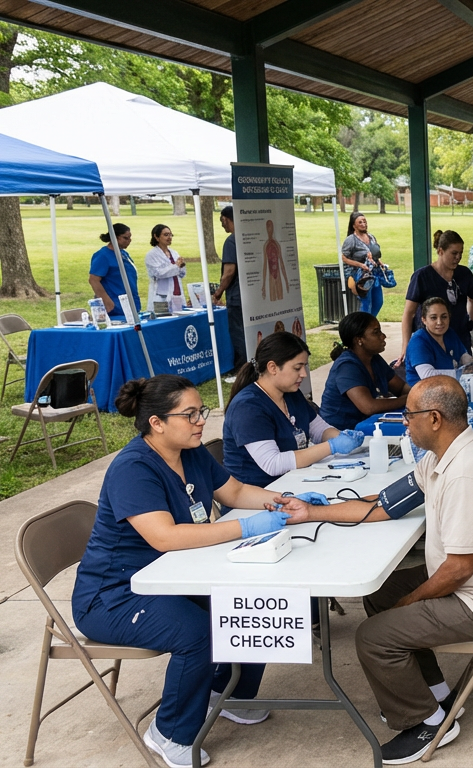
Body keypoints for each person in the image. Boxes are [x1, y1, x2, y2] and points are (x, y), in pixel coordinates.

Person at [71, 375, 371, 768]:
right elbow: (164, 537)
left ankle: (229, 695)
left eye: (202, 412)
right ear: (157, 423)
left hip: (173, 574)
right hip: (115, 594)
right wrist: (244, 527)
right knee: (198, 632)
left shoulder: (189, 452)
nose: (200, 422)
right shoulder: (134, 467)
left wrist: (285, 501)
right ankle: (170, 732)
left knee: (254, 596)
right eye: (190, 414)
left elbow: (234, 493)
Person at [354, 376, 473, 765]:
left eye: (408, 415)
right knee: (378, 595)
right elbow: (385, 504)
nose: (405, 421)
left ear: (434, 418)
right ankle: (434, 692)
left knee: (373, 637)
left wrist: (411, 602)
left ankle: (429, 722)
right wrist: (309, 512)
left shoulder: (466, 472)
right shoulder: (443, 454)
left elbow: (458, 570)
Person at [223, 331, 365, 487]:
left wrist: (343, 438)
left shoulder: (291, 393)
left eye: (305, 366)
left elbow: (318, 429)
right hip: (259, 497)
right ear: (272, 367)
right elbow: (272, 463)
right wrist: (332, 446)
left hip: (294, 483)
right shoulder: (247, 407)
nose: (304, 374)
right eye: (297, 368)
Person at [401, 229, 473, 362]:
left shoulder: (464, 273)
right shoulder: (422, 276)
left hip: (460, 336)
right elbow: (409, 313)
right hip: (431, 339)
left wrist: (471, 321)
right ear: (440, 251)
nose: (458, 257)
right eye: (454, 253)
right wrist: (406, 345)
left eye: (461, 253)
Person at [321, 312, 410, 430]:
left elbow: (401, 387)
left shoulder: (374, 359)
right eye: (376, 332)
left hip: (366, 426)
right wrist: (408, 399)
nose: (383, 336)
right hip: (340, 433)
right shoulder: (347, 366)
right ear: (359, 340)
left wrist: (419, 393)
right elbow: (368, 407)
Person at [405, 298, 472, 388]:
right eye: (433, 318)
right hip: (424, 393)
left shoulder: (449, 333)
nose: (440, 322)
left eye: (444, 317)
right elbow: (427, 375)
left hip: (449, 387)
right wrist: (462, 373)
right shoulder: (418, 341)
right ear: (424, 320)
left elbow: (464, 357)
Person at [212, 206, 247, 374]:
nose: (222, 225)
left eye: (221, 221)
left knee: (239, 334)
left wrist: (218, 293)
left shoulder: (232, 240)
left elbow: (229, 272)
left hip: (237, 297)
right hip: (250, 294)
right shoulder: (248, 236)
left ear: (226, 219)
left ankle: (241, 370)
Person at [89, 223, 141, 321]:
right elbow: (93, 280)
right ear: (115, 238)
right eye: (126, 238)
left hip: (130, 303)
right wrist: (107, 302)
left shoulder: (123, 254)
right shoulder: (103, 255)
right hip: (115, 305)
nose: (129, 241)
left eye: (130, 238)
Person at [341, 212, 385, 317]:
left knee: (378, 302)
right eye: (360, 222)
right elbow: (343, 258)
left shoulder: (371, 237)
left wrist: (380, 263)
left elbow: (374, 255)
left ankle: (369, 322)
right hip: (360, 275)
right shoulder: (351, 239)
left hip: (373, 273)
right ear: (354, 226)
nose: (363, 224)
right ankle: (364, 327)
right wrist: (360, 265)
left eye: (364, 221)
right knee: (366, 303)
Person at [144, 224, 186, 309]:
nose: (169, 237)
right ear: (156, 236)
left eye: (171, 235)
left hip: (177, 292)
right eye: (166, 235)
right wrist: (176, 266)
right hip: (161, 295)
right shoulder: (151, 255)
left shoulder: (174, 253)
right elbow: (159, 273)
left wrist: (182, 265)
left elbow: (182, 274)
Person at [261, 219, 289, 303]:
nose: (270, 229)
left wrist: (286, 281)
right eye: (268, 227)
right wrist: (264, 285)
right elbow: (265, 266)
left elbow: (281, 263)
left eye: (271, 227)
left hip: (278, 276)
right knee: (272, 299)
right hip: (271, 276)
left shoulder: (276, 244)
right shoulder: (266, 245)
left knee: (281, 298)